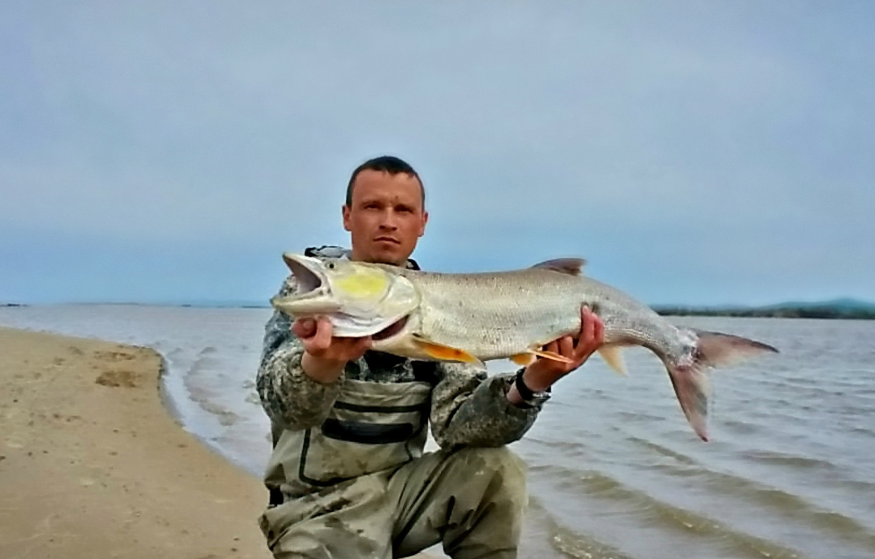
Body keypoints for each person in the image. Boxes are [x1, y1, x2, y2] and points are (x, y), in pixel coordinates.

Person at [256, 155, 605, 559]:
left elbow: (458, 428)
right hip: (312, 513)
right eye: (373, 207)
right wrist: (320, 364)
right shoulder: (316, 292)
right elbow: (283, 406)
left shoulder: (434, 306)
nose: (389, 221)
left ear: (422, 223)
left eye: (402, 210)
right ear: (347, 216)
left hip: (402, 497)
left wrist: (532, 383)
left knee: (496, 470)